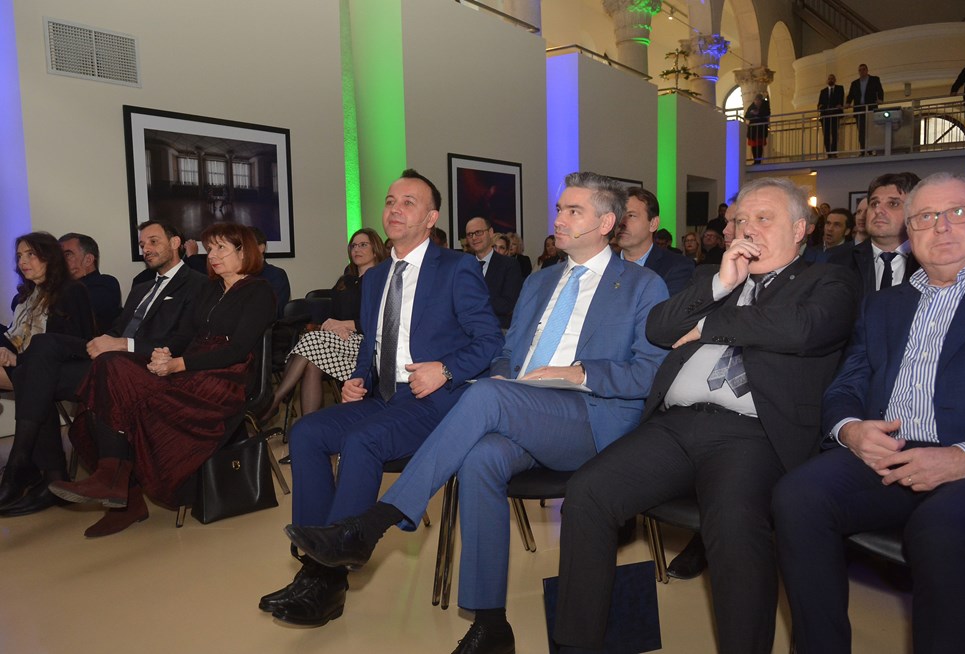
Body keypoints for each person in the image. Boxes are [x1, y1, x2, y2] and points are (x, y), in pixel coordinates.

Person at [282, 172, 669, 652]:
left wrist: (580, 372)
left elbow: (649, 374)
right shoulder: (540, 281)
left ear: (606, 223)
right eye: (560, 209)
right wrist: (505, 377)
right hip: (522, 406)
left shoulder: (642, 285)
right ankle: (490, 624)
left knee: (484, 395)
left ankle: (374, 521)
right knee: (481, 459)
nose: (559, 219)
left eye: (573, 211)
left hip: (589, 416)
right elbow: (504, 352)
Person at [551, 177, 859, 654]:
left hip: (752, 434)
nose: (747, 229)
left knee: (734, 524)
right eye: (741, 220)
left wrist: (710, 325)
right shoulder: (714, 278)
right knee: (587, 492)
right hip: (675, 425)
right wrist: (722, 285)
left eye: (763, 218)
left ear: (800, 229)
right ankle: (578, 646)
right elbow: (658, 328)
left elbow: (802, 329)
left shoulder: (828, 280)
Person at [258, 169, 503, 628]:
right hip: (384, 396)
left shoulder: (456, 268)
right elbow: (371, 343)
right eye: (391, 201)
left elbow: (490, 341)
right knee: (307, 432)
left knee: (362, 441)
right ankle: (316, 558)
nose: (395, 209)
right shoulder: (375, 279)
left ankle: (326, 580)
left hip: (434, 400)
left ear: (431, 218)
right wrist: (357, 378)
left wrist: (445, 369)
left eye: (408, 202)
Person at [773, 172, 965, 654]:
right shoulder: (883, 305)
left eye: (958, 212)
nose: (941, 227)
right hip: (889, 452)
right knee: (797, 496)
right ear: (909, 232)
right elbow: (848, 382)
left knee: (941, 530)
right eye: (925, 217)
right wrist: (850, 429)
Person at [48, 222, 275, 537]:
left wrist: (179, 364)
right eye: (210, 249)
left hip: (224, 380)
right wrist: (164, 354)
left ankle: (120, 489)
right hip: (192, 368)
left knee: (117, 380)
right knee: (108, 365)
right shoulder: (211, 289)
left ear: (244, 251)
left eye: (221, 248)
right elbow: (185, 336)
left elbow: (236, 351)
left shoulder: (259, 291)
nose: (212, 256)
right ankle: (116, 482)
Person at [0, 221, 207, 517]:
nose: (146, 249)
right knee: (33, 368)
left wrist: (121, 344)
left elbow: (182, 342)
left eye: (153, 241)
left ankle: (24, 466)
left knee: (35, 363)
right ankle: (48, 478)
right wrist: (105, 341)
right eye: (142, 244)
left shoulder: (198, 283)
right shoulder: (141, 286)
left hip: (145, 366)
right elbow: (116, 329)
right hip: (109, 360)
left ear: (175, 243)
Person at [258, 228, 388, 423]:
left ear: (376, 249)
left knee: (311, 340)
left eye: (363, 245)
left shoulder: (383, 280)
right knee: (312, 363)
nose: (357, 249)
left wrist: (349, 325)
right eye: (353, 246)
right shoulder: (345, 281)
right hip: (340, 341)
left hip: (366, 345)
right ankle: (308, 427)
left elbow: (382, 321)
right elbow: (333, 316)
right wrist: (337, 327)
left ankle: (275, 399)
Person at [1, 232, 95, 392]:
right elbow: (15, 338)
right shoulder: (25, 297)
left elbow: (74, 343)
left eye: (30, 254)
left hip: (52, 367)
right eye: (19, 256)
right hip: (22, 361)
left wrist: (18, 358)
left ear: (50, 258)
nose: (22, 262)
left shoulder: (72, 290)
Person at [850, 172, 921, 295]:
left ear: (915, 211)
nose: (878, 210)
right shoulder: (839, 261)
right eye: (874, 204)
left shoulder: (930, 263)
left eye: (893, 204)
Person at [619, 187, 694, 296]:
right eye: (619, 215)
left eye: (631, 216)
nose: (621, 222)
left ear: (653, 224)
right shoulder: (603, 263)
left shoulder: (677, 266)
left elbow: (664, 306)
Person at [466, 217, 523, 329]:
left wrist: (474, 300)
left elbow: (508, 304)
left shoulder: (509, 265)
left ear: (490, 232)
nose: (474, 238)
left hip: (497, 329)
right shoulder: (463, 265)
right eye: (470, 234)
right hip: (466, 329)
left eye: (478, 232)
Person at [59, 233, 121, 333]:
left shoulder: (105, 283)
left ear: (88, 260)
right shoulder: (58, 287)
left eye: (67, 255)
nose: (60, 260)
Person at [250, 227, 291, 318]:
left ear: (261, 248)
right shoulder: (234, 276)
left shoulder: (276, 275)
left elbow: (273, 312)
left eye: (246, 246)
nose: (242, 252)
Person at [846, 63, 884, 155]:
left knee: (870, 130)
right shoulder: (854, 83)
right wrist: (848, 103)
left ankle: (870, 150)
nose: (862, 71)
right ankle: (863, 150)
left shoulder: (874, 80)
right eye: (860, 70)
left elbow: (880, 90)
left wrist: (880, 99)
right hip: (859, 110)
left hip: (870, 108)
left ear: (867, 70)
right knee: (861, 131)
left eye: (863, 69)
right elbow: (851, 95)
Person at [818, 73, 845, 157]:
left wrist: (839, 106)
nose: (830, 80)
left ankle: (834, 152)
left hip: (835, 115)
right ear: (827, 81)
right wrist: (821, 107)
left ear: (835, 80)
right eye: (829, 79)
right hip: (825, 116)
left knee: (834, 134)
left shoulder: (840, 88)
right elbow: (819, 104)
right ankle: (829, 153)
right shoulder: (823, 91)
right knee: (826, 136)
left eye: (832, 78)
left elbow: (840, 100)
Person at [745, 93, 771, 165]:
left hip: (760, 129)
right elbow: (746, 116)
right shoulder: (752, 106)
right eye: (756, 100)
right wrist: (752, 113)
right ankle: (755, 160)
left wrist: (758, 113)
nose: (757, 102)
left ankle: (758, 161)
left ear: (761, 100)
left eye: (759, 100)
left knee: (759, 146)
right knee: (754, 146)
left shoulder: (765, 106)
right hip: (753, 130)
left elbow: (767, 113)